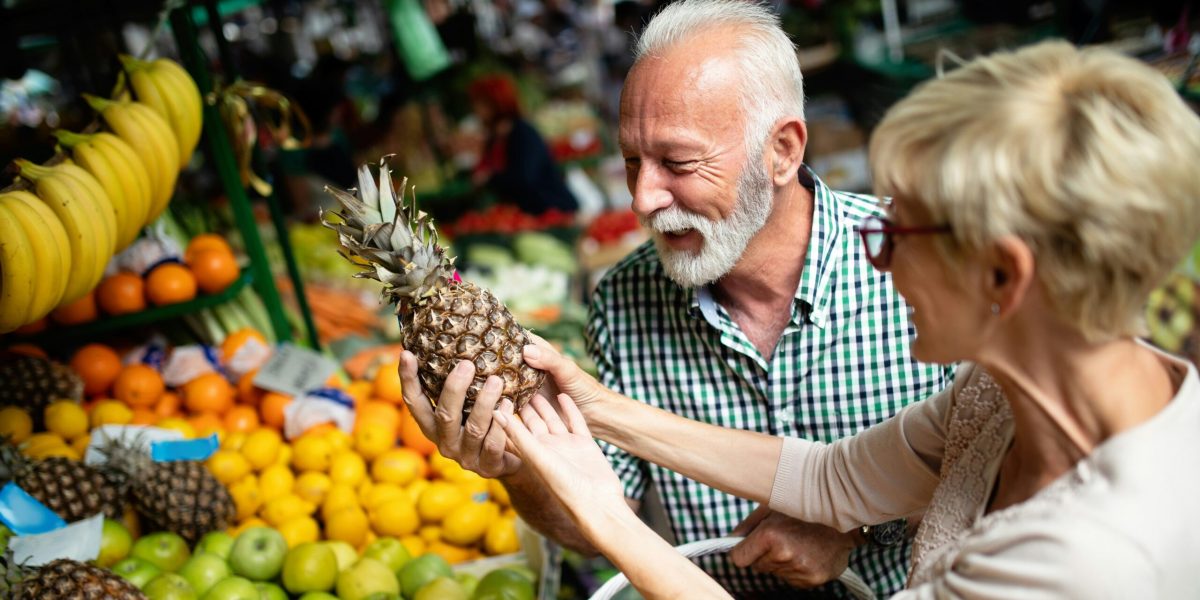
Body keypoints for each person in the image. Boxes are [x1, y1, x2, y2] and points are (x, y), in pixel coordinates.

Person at [490, 39, 1200, 598]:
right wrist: (600, 409)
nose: (879, 259)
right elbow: (830, 478)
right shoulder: (999, 397)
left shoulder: (1081, 557)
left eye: (898, 234)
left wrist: (608, 517)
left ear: (1002, 276)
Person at [401, 1, 952, 596]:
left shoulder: (926, 267)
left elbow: (991, 469)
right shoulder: (622, 301)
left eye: (678, 162)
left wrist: (859, 530)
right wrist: (521, 470)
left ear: (784, 151)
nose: (642, 199)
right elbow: (606, 519)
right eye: (632, 161)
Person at [466, 73, 579, 215]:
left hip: (552, 210)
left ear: (496, 103)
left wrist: (490, 178)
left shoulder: (523, 134)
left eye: (480, 103)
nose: (476, 110)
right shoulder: (495, 138)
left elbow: (524, 178)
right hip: (526, 214)